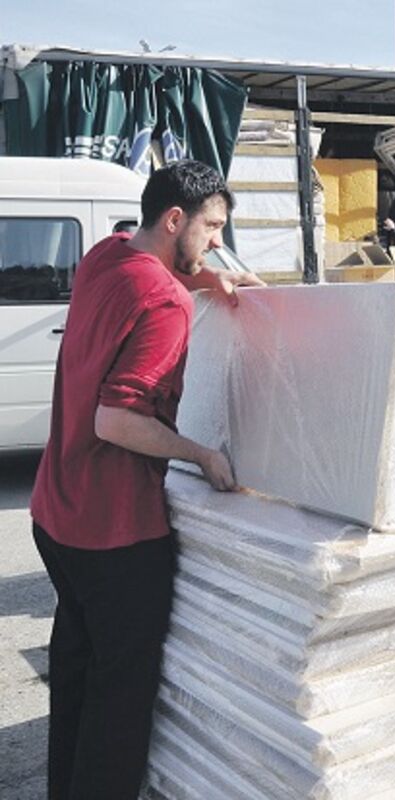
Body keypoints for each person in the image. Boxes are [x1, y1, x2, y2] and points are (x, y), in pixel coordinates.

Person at [29, 160, 263, 798]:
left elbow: (150, 272)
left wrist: (204, 275)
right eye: (212, 227)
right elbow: (114, 420)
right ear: (176, 219)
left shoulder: (104, 257)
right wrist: (200, 454)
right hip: (115, 533)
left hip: (56, 513)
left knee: (76, 671)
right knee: (120, 699)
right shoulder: (165, 303)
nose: (218, 241)